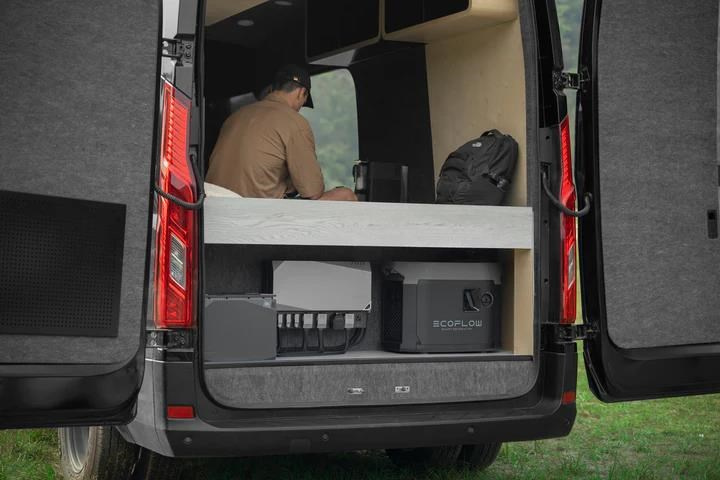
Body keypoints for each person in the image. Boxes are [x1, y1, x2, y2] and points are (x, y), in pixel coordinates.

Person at [206, 64, 357, 201]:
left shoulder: (235, 117)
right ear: (301, 93)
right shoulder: (294, 122)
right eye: (304, 101)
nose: (300, 108)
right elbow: (312, 191)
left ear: (273, 88)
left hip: (214, 204)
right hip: (256, 209)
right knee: (346, 195)